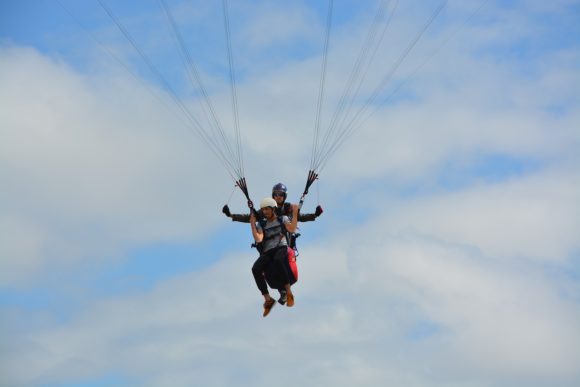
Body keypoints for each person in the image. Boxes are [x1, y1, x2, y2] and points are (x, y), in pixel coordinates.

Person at [250, 197, 298, 317]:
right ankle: (268, 299)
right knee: (255, 269)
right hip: (268, 251)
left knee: (278, 260)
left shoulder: (283, 219)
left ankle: (288, 293)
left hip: (281, 247)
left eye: (267, 209)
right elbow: (258, 239)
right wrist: (252, 224)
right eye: (263, 210)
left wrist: (295, 213)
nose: (265, 212)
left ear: (273, 209)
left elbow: (291, 229)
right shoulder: (262, 224)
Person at [222, 183, 323, 225]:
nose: (278, 196)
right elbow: (251, 218)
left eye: (281, 194)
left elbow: (300, 217)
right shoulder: (268, 208)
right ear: (273, 196)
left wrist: (315, 215)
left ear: (284, 196)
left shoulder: (288, 208)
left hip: (285, 240)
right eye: (276, 194)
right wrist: (231, 215)